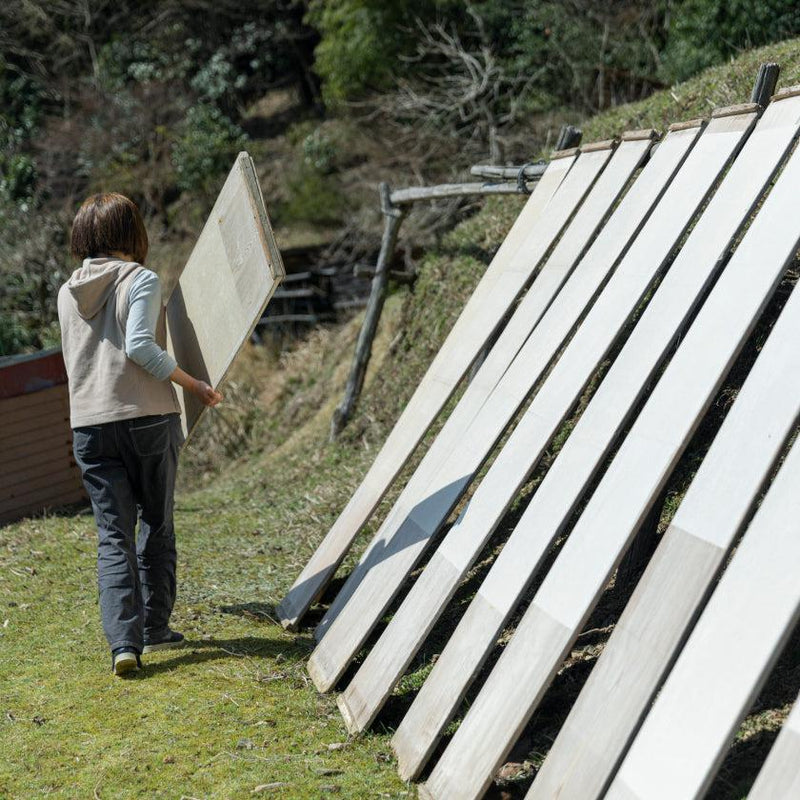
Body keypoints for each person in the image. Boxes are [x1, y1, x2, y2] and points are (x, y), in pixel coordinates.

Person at [57, 192, 222, 677]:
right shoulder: (140, 278)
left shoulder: (67, 293)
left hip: (89, 425)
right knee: (157, 523)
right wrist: (195, 385)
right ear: (132, 233)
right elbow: (139, 348)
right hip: (148, 418)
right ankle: (156, 627)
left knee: (113, 536)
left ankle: (123, 645)